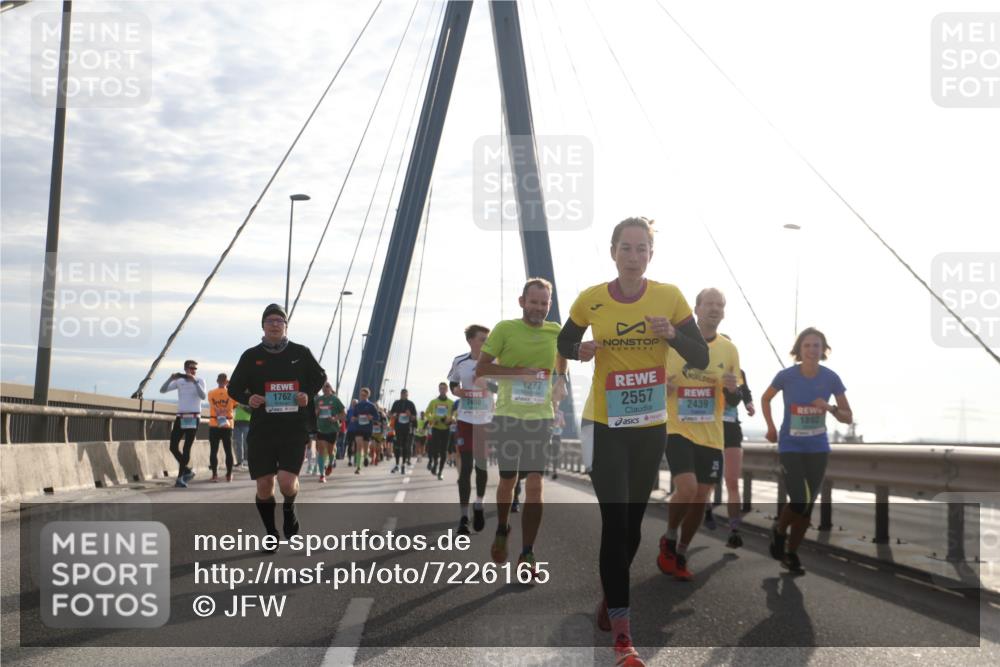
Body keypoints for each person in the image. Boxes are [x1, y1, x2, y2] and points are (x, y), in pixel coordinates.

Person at [557, 217, 708, 667]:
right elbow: (565, 341)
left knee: (634, 526)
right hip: (603, 426)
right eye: (626, 247)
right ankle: (623, 637)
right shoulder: (592, 299)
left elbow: (698, 356)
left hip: (648, 427)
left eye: (642, 249)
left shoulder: (670, 296)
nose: (634, 255)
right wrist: (580, 349)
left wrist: (673, 334)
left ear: (650, 255)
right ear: (613, 251)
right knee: (615, 520)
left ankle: (613, 593)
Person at [477, 278, 567, 579]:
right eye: (534, 302)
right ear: (522, 302)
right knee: (507, 481)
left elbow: (563, 355)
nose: (538, 308)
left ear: (549, 305)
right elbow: (483, 368)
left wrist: (560, 380)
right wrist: (520, 373)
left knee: (535, 484)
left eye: (544, 303)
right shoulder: (505, 329)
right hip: (507, 416)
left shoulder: (556, 331)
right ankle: (503, 528)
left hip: (540, 418)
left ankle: (528, 552)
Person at [658, 287, 741, 582]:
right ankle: (668, 537)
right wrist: (662, 386)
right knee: (688, 488)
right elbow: (653, 380)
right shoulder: (672, 346)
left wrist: (733, 390)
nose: (715, 309)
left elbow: (733, 401)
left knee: (701, 497)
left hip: (711, 435)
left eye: (720, 305)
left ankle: (681, 551)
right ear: (696, 309)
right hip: (677, 429)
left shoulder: (729, 350)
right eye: (710, 304)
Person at [227, 304, 326, 550]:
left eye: (279, 321)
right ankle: (271, 533)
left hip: (293, 428)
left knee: (286, 483)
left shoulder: (301, 352)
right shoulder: (251, 356)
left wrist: (307, 394)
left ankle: (290, 507)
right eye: (270, 320)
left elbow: (320, 376)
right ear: (263, 325)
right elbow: (234, 388)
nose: (274, 324)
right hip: (262, 429)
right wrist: (248, 398)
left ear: (286, 326)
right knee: (264, 486)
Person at [762, 327, 851, 574]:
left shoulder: (831, 378)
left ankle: (791, 554)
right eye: (807, 345)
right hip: (791, 446)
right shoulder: (786, 376)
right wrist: (771, 427)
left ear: (823, 350)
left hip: (818, 448)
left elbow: (848, 416)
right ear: (799, 350)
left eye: (816, 345)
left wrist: (830, 408)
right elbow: (765, 398)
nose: (812, 349)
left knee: (807, 506)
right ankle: (779, 530)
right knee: (800, 499)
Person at [448, 324, 494, 535]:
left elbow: (502, 387)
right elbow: (453, 384)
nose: (486, 342)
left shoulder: (495, 361)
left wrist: (488, 385)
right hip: (466, 420)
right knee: (465, 468)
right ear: (471, 341)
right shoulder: (460, 361)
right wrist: (457, 391)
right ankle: (463, 517)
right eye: (483, 339)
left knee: (482, 468)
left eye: (488, 339)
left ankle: (479, 504)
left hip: (485, 421)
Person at [718, 366, 754, 547]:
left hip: (731, 430)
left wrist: (749, 404)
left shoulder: (738, 372)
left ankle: (734, 530)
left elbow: (745, 391)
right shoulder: (700, 367)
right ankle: (707, 510)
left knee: (732, 481)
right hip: (707, 430)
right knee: (705, 483)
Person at [160, 359, 207, 488]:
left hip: (193, 416)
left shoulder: (200, 380)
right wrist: (170, 379)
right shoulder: (179, 381)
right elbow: (162, 390)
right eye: (191, 368)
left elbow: (203, 396)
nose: (194, 371)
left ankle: (180, 477)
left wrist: (195, 382)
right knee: (173, 446)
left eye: (195, 369)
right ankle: (187, 470)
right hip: (181, 417)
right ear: (185, 369)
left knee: (187, 447)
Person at [207, 373, 237, 482]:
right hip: (227, 423)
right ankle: (229, 475)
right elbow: (234, 405)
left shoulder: (211, 393)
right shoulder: (231, 393)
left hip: (214, 422)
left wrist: (218, 408)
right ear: (226, 381)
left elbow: (211, 404)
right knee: (228, 450)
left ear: (217, 380)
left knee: (213, 450)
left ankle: (215, 475)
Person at [315, 383, 345, 483]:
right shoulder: (318, 400)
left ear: (331, 388)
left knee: (330, 451)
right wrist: (317, 411)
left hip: (332, 429)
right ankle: (322, 475)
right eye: (323, 386)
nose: (325, 388)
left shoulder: (335, 400)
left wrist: (335, 418)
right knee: (321, 451)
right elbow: (314, 414)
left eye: (327, 386)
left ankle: (331, 463)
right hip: (320, 428)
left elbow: (343, 414)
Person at [425, 383, 454, 480]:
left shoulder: (451, 403)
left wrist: (450, 419)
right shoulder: (433, 402)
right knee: (435, 449)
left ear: (447, 390)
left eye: (444, 388)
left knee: (443, 451)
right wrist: (432, 420)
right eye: (440, 388)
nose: (442, 390)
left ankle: (440, 472)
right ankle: (435, 463)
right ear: (439, 389)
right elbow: (427, 413)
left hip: (446, 429)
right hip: (436, 428)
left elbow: (455, 415)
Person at [350, 388, 380, 474]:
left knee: (365, 448)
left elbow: (377, 417)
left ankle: (366, 456)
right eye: (361, 395)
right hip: (358, 428)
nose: (362, 396)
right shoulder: (357, 405)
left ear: (368, 395)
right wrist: (353, 418)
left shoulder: (371, 406)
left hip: (367, 429)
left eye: (364, 395)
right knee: (359, 445)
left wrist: (372, 418)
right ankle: (358, 467)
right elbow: (354, 417)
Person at [389, 389, 418, 474]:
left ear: (407, 395)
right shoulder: (396, 403)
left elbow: (414, 417)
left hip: (407, 428)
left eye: (405, 394)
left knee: (405, 446)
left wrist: (410, 415)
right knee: (397, 446)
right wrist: (394, 415)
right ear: (400, 394)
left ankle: (403, 464)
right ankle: (397, 464)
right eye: (402, 394)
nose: (404, 395)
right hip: (398, 428)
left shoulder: (411, 404)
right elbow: (390, 414)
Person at [233, 402, 251, 469]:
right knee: (238, 443)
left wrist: (243, 406)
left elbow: (251, 411)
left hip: (247, 423)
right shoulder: (237, 400)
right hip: (237, 423)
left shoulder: (249, 399)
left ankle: (247, 460)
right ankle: (239, 462)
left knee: (246, 443)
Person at [549, 408, 565, 480]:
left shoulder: (560, 413)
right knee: (547, 453)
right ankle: (546, 467)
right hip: (548, 435)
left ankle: (554, 470)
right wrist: (552, 424)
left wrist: (561, 424)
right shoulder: (549, 410)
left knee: (556, 453)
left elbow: (563, 424)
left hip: (557, 435)